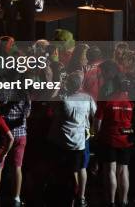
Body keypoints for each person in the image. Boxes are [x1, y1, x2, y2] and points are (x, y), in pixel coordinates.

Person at [48, 73, 96, 207]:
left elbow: (51, 106)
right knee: (82, 168)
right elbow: (95, 115)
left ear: (68, 85)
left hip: (65, 142)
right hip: (81, 141)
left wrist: (58, 86)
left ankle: (71, 197)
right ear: (80, 85)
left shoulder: (65, 101)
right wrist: (90, 130)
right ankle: (81, 197)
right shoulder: (88, 98)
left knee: (69, 171)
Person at [93, 72, 135, 207]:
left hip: (109, 139)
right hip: (126, 140)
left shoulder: (107, 100)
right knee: (123, 170)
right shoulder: (131, 102)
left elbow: (97, 123)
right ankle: (123, 201)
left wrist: (98, 135)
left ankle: (110, 202)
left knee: (110, 170)